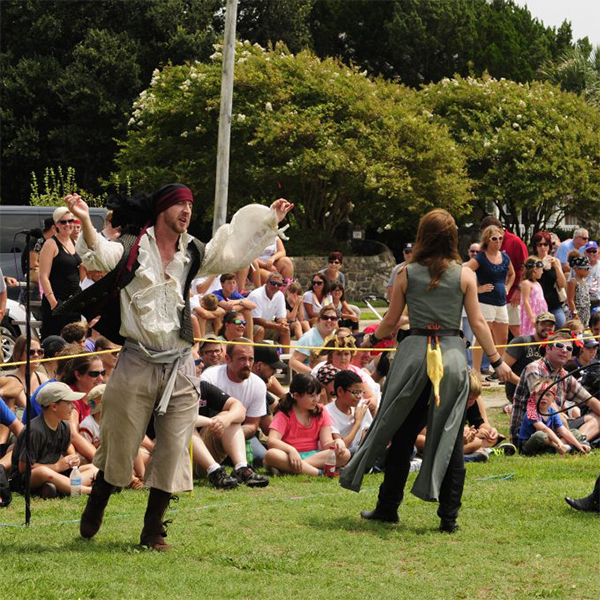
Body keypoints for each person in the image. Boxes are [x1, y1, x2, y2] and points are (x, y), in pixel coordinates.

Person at [65, 184, 292, 550]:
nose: (187, 211)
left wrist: (268, 220)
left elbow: (229, 251)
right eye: (180, 205)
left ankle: (153, 529)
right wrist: (83, 220)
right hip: (138, 357)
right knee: (120, 443)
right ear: (162, 209)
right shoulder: (133, 246)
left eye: (190, 204)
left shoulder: (193, 250)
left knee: (173, 447)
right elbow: (101, 255)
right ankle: (98, 500)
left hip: (180, 362)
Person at [340, 208, 511, 533]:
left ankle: (388, 508)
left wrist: (369, 339)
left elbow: (390, 322)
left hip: (415, 355)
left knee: (402, 437)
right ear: (452, 238)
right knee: (449, 436)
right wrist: (497, 360)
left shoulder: (406, 272)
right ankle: (449, 518)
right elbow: (476, 322)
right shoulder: (465, 275)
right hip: (450, 357)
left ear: (422, 236)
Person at [510, 331, 600, 447]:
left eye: (569, 348)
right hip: (530, 430)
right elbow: (547, 405)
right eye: (559, 346)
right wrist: (566, 429)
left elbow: (590, 400)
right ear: (548, 349)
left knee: (597, 417)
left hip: (555, 426)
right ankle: (570, 443)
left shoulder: (565, 375)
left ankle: (571, 444)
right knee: (546, 432)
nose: (564, 350)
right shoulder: (534, 369)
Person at [200, 339, 271, 485]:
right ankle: (231, 467)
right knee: (228, 417)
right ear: (227, 359)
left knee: (259, 458)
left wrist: (232, 431)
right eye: (241, 359)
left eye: (250, 359)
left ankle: (241, 469)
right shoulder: (209, 378)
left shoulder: (257, 384)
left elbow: (251, 424)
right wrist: (225, 423)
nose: (247, 364)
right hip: (208, 432)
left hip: (236, 432)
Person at [10, 382, 98, 497]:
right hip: (27, 478)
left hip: (55, 473)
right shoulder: (35, 430)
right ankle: (87, 490)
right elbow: (23, 468)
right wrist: (57, 466)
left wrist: (72, 458)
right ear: (54, 406)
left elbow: (67, 448)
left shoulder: (64, 427)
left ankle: (58, 488)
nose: (73, 407)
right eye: (69, 403)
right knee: (44, 473)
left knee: (93, 468)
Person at [264, 373, 350, 476]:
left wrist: (337, 441)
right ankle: (319, 473)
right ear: (296, 395)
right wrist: (291, 450)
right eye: (311, 395)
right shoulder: (284, 413)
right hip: (289, 455)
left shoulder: (321, 411)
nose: (316, 399)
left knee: (345, 454)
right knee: (271, 454)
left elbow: (326, 443)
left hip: (314, 455)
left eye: (317, 394)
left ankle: (292, 468)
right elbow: (272, 440)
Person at [191, 378, 268, 489]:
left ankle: (241, 469)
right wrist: (212, 422)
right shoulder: (169, 389)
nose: (201, 365)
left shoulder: (202, 386)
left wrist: (227, 419)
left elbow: (240, 408)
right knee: (186, 427)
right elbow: (179, 418)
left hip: (200, 456)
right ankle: (214, 471)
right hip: (177, 460)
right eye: (197, 363)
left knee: (230, 417)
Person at [466, 224, 515, 375]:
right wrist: (477, 288)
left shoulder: (505, 257)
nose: (498, 241)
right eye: (494, 238)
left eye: (501, 238)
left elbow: (512, 274)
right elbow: (465, 271)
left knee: (503, 338)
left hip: (501, 302)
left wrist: (507, 286)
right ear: (487, 240)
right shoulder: (480, 257)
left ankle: (498, 370)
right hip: (485, 302)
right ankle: (476, 372)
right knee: (481, 338)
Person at [479, 216, 528, 339]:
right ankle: (499, 357)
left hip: (512, 294)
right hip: (494, 297)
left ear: (499, 229)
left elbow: (525, 267)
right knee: (494, 332)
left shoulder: (515, 242)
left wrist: (518, 289)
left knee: (515, 327)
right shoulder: (488, 246)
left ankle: (526, 355)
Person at [38, 206, 83, 338]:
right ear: (56, 224)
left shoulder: (74, 242)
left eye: (70, 221)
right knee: (55, 343)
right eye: (63, 222)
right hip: (57, 302)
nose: (68, 225)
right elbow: (43, 276)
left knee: (75, 343)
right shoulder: (50, 244)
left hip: (73, 302)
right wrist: (53, 302)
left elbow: (78, 272)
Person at [518, 379, 590, 455]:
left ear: (554, 399)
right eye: (540, 394)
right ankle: (561, 447)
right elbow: (544, 429)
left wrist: (579, 445)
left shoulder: (552, 412)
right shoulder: (531, 412)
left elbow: (562, 430)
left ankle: (564, 447)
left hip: (548, 441)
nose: (543, 397)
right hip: (530, 444)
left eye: (548, 395)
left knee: (574, 432)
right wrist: (559, 443)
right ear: (534, 397)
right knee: (540, 435)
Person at [503, 312, 556, 408]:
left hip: (545, 392)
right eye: (544, 324)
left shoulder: (553, 346)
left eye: (550, 325)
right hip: (520, 391)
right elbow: (503, 369)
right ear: (535, 325)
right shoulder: (522, 342)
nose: (547, 328)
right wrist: (527, 384)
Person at [325, 370, 373, 455]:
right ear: (340, 391)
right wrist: (357, 423)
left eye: (361, 392)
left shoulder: (361, 408)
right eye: (355, 392)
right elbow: (342, 447)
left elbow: (367, 436)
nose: (359, 396)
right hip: (341, 456)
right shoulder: (327, 412)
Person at [0, 336, 47, 414]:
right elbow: (29, 409)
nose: (36, 355)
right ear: (20, 355)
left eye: (40, 351)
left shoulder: (42, 377)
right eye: (31, 352)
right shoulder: (13, 381)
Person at [530, 230, 567, 328]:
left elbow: (562, 284)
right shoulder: (531, 261)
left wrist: (557, 268)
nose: (542, 247)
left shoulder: (555, 261)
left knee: (562, 327)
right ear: (535, 246)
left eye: (545, 244)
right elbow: (528, 281)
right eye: (539, 245)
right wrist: (540, 265)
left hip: (554, 305)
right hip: (537, 305)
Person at [289, 306, 339, 374]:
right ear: (319, 320)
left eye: (333, 318)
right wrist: (314, 373)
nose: (329, 320)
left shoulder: (337, 335)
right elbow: (293, 362)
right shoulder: (308, 337)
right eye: (325, 317)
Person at [247, 272, 290, 346]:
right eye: (273, 283)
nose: (276, 286)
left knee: (285, 330)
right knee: (260, 329)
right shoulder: (256, 295)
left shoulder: (280, 295)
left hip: (268, 325)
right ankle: (258, 355)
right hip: (251, 326)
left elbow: (281, 317)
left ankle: (285, 356)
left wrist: (283, 324)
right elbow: (256, 319)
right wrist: (276, 326)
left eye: (279, 284)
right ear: (267, 282)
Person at [213, 273, 257, 339]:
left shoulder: (234, 294)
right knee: (220, 313)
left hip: (230, 317)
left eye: (234, 283)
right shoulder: (216, 294)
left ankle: (250, 340)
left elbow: (253, 305)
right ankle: (218, 340)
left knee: (247, 311)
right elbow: (228, 307)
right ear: (222, 284)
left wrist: (237, 301)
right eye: (229, 283)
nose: (232, 285)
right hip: (218, 318)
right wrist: (243, 305)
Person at [520, 257, 548, 335]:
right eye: (541, 270)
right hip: (532, 315)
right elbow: (525, 301)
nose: (542, 272)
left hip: (541, 314)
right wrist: (532, 318)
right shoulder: (526, 283)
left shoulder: (538, 284)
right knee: (531, 334)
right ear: (535, 269)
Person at [567, 253, 591, 327]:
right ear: (578, 269)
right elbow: (570, 300)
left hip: (585, 313)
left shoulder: (584, 281)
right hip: (577, 313)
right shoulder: (573, 282)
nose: (588, 271)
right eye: (586, 269)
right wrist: (575, 314)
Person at [585, 241, 599, 311]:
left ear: (598, 252)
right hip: (584, 304)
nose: (591, 253)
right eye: (589, 251)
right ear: (585, 252)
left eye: (594, 251)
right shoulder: (579, 267)